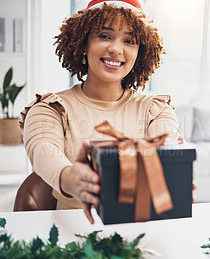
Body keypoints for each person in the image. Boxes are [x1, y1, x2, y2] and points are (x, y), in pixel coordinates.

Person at [20, 0, 182, 224]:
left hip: (140, 230)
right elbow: (44, 152)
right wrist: (71, 178)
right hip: (71, 232)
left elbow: (167, 144)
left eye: (129, 40)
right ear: (83, 43)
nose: (116, 49)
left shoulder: (155, 109)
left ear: (139, 53)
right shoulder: (51, 109)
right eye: (105, 36)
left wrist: (172, 171)